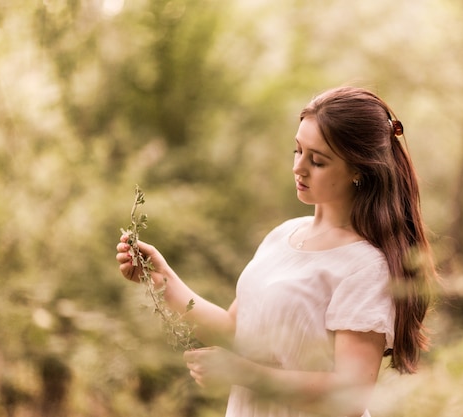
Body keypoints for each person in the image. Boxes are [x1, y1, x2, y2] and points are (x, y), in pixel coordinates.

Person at [116, 86, 436, 417]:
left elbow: (350, 395)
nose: (299, 167)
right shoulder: (283, 236)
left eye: (318, 160)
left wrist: (243, 374)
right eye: (297, 151)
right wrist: (161, 279)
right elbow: (234, 329)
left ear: (358, 170)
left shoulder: (365, 266)